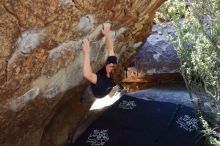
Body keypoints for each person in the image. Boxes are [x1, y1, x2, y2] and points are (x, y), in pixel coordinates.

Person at [81, 23, 122, 103]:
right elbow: (110, 49)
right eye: (113, 65)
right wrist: (107, 34)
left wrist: (86, 52)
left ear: (108, 74)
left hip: (97, 93)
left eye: (111, 67)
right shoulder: (114, 68)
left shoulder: (103, 82)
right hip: (105, 88)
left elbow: (87, 74)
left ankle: (85, 100)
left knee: (89, 92)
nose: (111, 64)